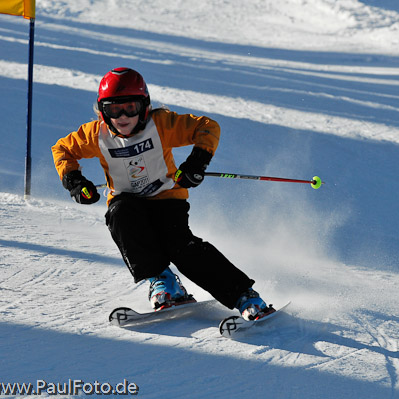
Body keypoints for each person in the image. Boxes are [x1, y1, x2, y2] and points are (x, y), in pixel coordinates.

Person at [52, 67, 270, 320]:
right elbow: (62, 150)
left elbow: (207, 128)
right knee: (120, 216)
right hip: (126, 199)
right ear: (102, 111)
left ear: (144, 106)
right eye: (113, 109)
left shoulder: (161, 124)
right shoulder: (96, 134)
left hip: (167, 198)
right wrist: (75, 182)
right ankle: (164, 282)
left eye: (130, 108)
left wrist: (196, 164)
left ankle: (244, 295)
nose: (122, 117)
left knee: (180, 247)